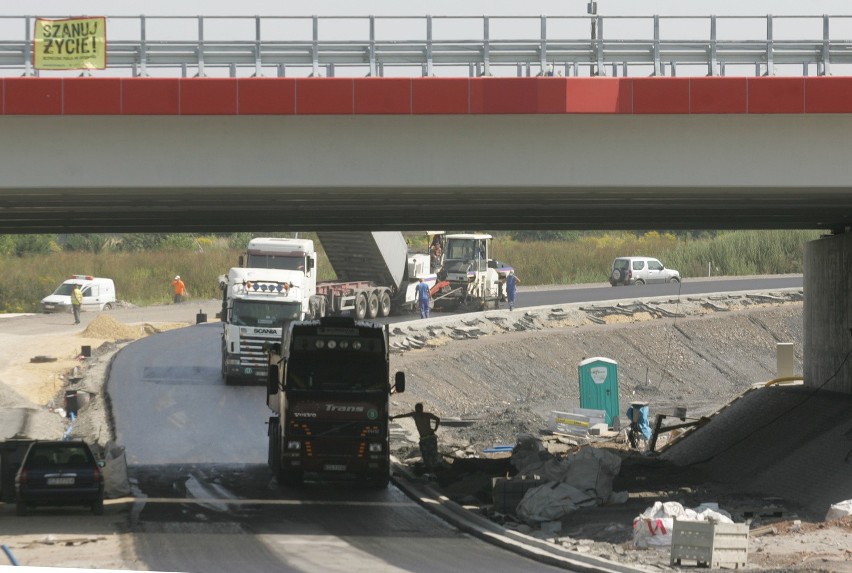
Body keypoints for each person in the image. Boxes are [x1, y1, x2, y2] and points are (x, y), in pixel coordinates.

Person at [390, 403, 442, 470]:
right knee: (426, 454)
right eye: (417, 409)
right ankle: (430, 467)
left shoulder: (424, 415)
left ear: (421, 409)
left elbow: (438, 419)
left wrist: (435, 429)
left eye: (418, 409)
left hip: (430, 437)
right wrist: (393, 417)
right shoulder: (417, 415)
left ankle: (433, 468)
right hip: (425, 438)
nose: (418, 410)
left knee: (431, 453)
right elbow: (403, 415)